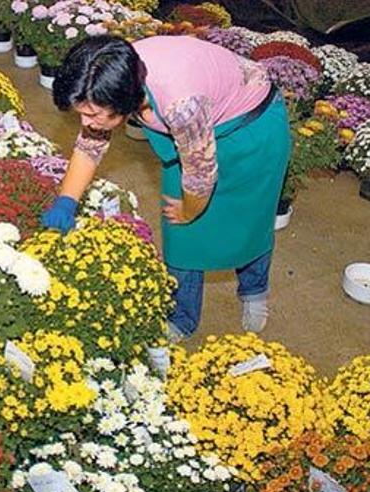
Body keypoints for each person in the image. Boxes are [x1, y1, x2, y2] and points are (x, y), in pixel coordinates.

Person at [41, 34, 290, 341]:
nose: (86, 121)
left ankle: (254, 292)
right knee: (182, 236)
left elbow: (200, 177)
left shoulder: (180, 104)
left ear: (124, 103)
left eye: (91, 114)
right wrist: (66, 200)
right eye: (82, 111)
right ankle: (182, 318)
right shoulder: (111, 77)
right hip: (199, 131)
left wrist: (189, 210)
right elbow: (90, 146)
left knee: (249, 221)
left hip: (252, 128)